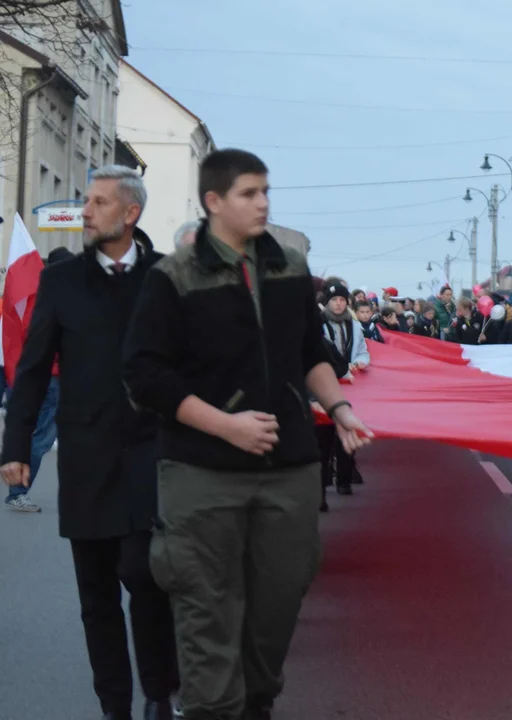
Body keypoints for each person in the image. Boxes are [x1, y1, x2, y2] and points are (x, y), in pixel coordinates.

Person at [122, 149, 373, 720]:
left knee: (276, 609)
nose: (263, 203)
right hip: (201, 474)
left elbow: (312, 353)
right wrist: (224, 425)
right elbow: (144, 374)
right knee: (206, 614)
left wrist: (338, 407)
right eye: (249, 194)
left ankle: (256, 703)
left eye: (266, 192)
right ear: (214, 202)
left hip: (288, 470)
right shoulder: (173, 278)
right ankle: (212, 707)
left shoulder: (288, 267)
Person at [1, 166, 179, 720]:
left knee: (146, 580)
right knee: (96, 597)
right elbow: (31, 371)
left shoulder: (164, 279)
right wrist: (14, 447)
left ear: (131, 214)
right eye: (86, 201)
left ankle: (157, 694)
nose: (86, 211)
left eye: (100, 203)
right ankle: (115, 706)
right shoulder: (62, 282)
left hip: (152, 458)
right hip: (86, 458)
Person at [3, 246, 68, 513]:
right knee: (42, 436)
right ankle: (18, 491)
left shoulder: (40, 296)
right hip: (52, 378)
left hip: (52, 377)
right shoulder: (47, 298)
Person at [319, 282, 370, 501]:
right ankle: (320, 489)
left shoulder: (355, 326)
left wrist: (359, 363)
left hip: (350, 386)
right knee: (322, 436)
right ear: (327, 302)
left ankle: (344, 479)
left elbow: (363, 352)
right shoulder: (317, 325)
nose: (338, 304)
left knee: (348, 430)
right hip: (323, 385)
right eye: (334, 300)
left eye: (342, 300)